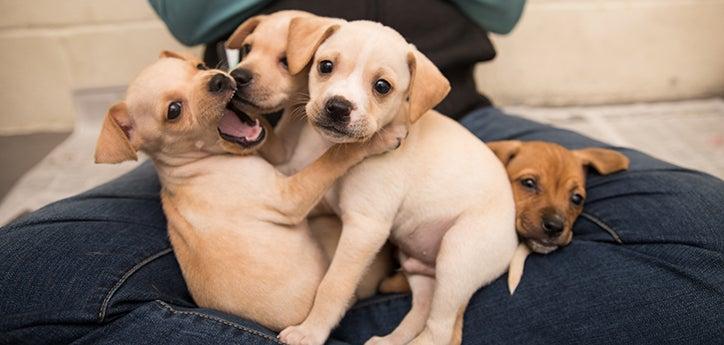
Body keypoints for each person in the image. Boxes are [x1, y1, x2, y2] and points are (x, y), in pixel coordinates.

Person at [1, 1, 721, 344]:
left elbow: (503, 10)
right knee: (24, 280)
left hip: (453, 121)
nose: (250, 73)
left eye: (285, 59)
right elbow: (197, 24)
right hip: (228, 146)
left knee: (704, 230)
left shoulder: (418, 95)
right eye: (292, 59)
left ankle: (392, 310)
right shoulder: (239, 90)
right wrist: (271, 67)